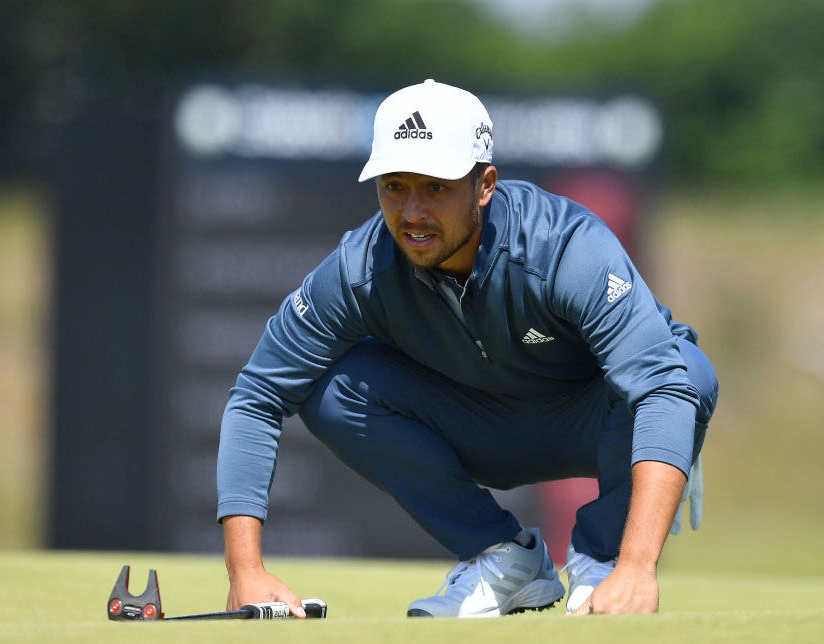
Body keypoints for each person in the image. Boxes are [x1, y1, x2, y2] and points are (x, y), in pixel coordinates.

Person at [216, 79, 718, 618]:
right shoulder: (358, 267)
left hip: (596, 424)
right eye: (394, 186)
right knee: (330, 388)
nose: (411, 212)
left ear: (485, 185)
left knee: (686, 369)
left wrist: (637, 565)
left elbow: (663, 387)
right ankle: (503, 559)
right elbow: (257, 396)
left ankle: (604, 560)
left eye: (436, 187)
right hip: (479, 429)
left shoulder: (566, 246)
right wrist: (246, 570)